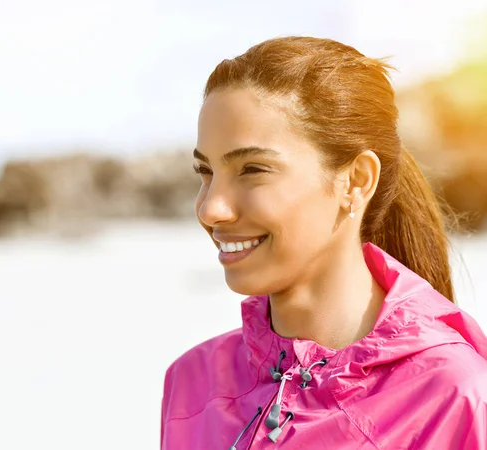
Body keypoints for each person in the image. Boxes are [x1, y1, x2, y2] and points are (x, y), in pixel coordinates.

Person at [160, 36, 487, 449]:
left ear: (356, 180)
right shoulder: (194, 381)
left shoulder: (453, 397)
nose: (211, 209)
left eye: (253, 169)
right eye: (205, 172)